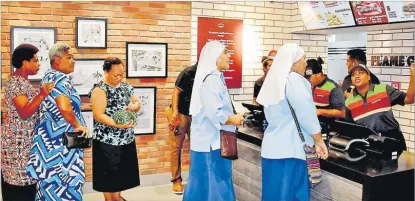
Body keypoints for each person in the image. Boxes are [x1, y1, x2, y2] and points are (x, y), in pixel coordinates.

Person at [256, 43, 329, 201]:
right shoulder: (294, 80)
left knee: (273, 195)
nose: (305, 63)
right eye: (303, 58)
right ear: (294, 61)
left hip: (271, 149)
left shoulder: (274, 80)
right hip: (290, 151)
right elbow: (307, 114)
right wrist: (318, 140)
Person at [25, 42, 90, 201]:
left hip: (50, 143)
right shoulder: (59, 78)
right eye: (69, 57)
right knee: (65, 187)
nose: (73, 61)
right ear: (57, 60)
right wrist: (78, 126)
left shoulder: (49, 76)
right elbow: (64, 107)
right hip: (61, 146)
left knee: (48, 187)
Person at [183, 40, 244, 201]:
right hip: (211, 144)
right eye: (225, 52)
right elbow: (216, 115)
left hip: (206, 142)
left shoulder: (215, 78)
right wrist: (235, 119)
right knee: (215, 184)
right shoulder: (212, 80)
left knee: (202, 184)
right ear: (214, 57)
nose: (229, 56)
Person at [1, 44, 54, 201]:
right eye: (36, 60)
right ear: (25, 62)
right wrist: (42, 94)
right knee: (18, 186)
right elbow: (24, 112)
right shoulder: (17, 83)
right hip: (17, 145)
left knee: (27, 184)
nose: (38, 64)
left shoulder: (23, 82)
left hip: (24, 143)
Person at [90, 57, 140, 201]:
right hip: (106, 141)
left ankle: (117, 197)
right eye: (115, 75)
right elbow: (98, 115)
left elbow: (136, 102)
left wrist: (135, 106)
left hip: (125, 138)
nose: (119, 77)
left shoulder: (125, 86)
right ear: (105, 71)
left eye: (121, 74)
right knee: (108, 179)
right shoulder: (100, 89)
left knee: (120, 177)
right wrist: (117, 124)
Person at [345, 63, 414, 153]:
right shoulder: (349, 102)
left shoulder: (383, 89)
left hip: (392, 140)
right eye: (353, 74)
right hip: (369, 144)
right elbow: (350, 129)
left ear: (369, 77)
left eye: (361, 73)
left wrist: (413, 75)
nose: (357, 76)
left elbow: (410, 99)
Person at [167, 62, 197, 194]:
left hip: (196, 115)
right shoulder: (188, 72)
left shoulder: (209, 74)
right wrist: (174, 114)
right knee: (176, 148)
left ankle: (195, 180)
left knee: (196, 147)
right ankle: (176, 180)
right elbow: (176, 92)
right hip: (180, 114)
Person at [304, 57, 345, 133]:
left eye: (309, 77)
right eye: (306, 77)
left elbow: (342, 113)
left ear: (319, 74)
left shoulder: (334, 88)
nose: (307, 80)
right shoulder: (309, 85)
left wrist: (320, 111)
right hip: (311, 128)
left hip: (328, 130)